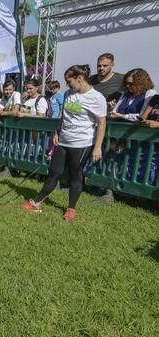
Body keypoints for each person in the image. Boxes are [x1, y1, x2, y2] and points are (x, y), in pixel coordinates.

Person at [21, 64, 107, 221]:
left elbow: (101, 123)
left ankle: (71, 209)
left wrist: (97, 147)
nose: (67, 84)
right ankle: (36, 202)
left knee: (76, 175)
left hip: (82, 143)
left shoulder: (97, 98)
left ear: (80, 78)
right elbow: (63, 115)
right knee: (54, 172)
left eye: (69, 81)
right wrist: (57, 131)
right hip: (63, 141)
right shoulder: (68, 93)